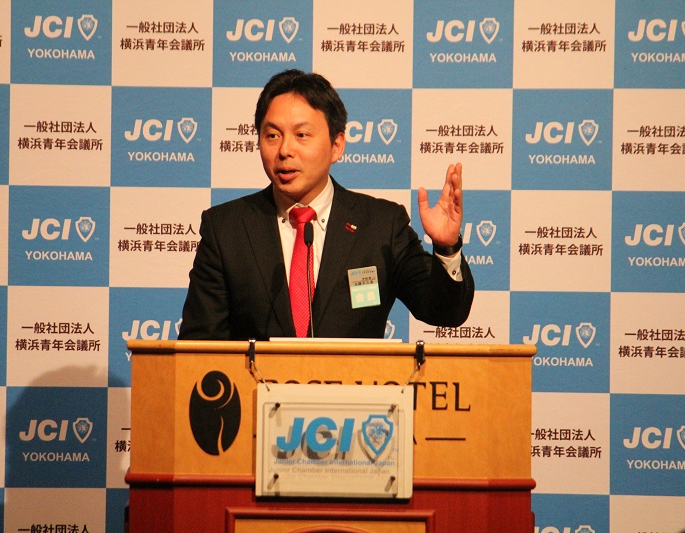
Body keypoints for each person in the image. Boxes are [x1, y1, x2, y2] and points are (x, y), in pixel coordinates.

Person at [178, 69, 473, 340]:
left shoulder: (382, 225)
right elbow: (199, 346)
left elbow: (445, 312)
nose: (285, 150)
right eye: (272, 135)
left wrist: (446, 247)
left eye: (302, 135)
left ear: (337, 145)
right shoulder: (226, 229)